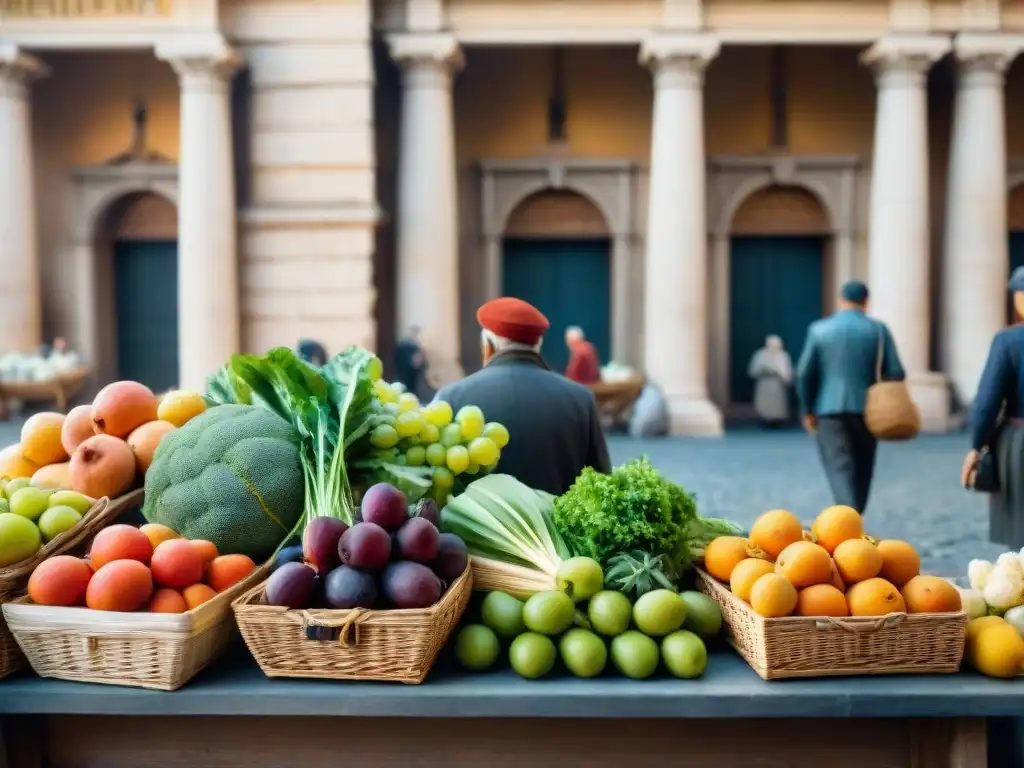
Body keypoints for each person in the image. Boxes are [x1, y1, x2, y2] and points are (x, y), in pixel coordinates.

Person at [434, 297, 611, 495]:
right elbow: (601, 483)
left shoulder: (451, 397)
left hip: (473, 527)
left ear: (488, 346)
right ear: (538, 345)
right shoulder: (581, 399)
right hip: (557, 526)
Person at [795, 281, 905, 515]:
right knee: (863, 467)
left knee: (838, 467)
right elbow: (895, 371)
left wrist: (807, 409)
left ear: (841, 299)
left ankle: (848, 518)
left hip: (828, 408)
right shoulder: (878, 330)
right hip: (869, 410)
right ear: (866, 301)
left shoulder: (819, 329)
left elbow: (804, 372)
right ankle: (854, 514)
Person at [961, 267, 1024, 549]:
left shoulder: (1009, 341)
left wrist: (976, 447)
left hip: (1019, 441)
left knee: (1020, 524)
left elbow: (988, 400)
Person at [747, 334, 793, 427]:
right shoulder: (760, 354)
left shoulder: (782, 355)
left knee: (777, 404)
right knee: (764, 404)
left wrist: (780, 374)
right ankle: (765, 420)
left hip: (777, 384)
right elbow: (753, 370)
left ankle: (778, 420)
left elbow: (786, 371)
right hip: (764, 383)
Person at [394, 326, 428, 400]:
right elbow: (416, 363)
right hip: (411, 382)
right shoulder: (413, 348)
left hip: (401, 379)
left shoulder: (400, 347)